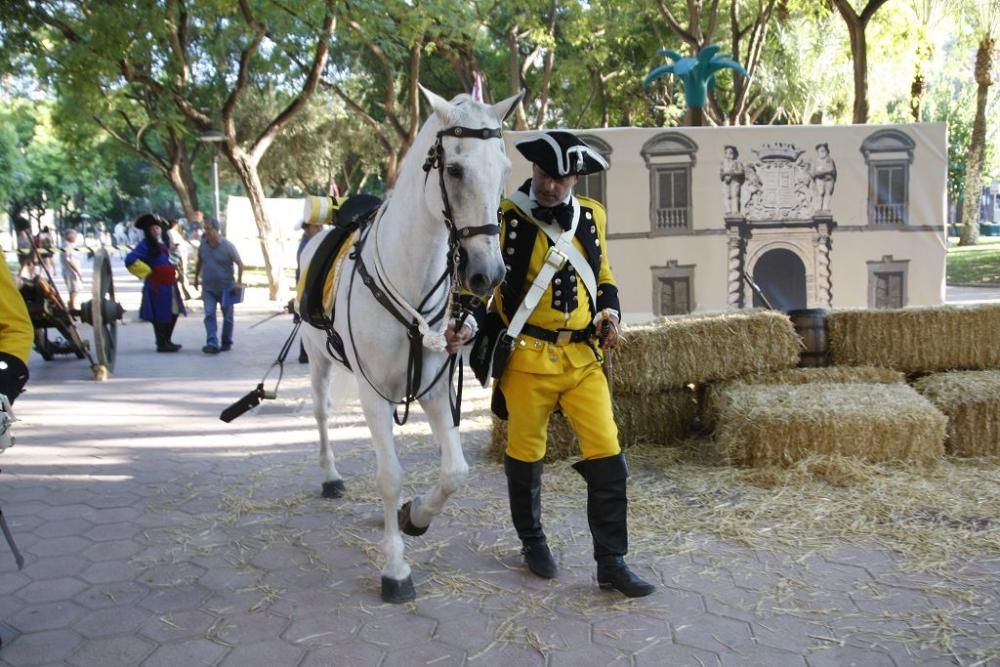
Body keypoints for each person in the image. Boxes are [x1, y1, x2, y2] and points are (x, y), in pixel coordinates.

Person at [457, 131, 655, 598]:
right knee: (526, 455)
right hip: (527, 356)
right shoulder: (505, 216)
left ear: (575, 177)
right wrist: (465, 318)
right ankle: (532, 541)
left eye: (561, 178)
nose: (551, 187)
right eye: (545, 176)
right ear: (534, 171)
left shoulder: (592, 216)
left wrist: (610, 314)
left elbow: (602, 274)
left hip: (583, 358)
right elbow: (478, 279)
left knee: (608, 454)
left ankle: (612, 562)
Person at [125, 213, 186, 352]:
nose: (156, 230)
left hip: (170, 284)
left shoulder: (163, 244)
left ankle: (167, 340)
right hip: (157, 286)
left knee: (174, 313)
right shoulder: (145, 245)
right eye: (152, 228)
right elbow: (130, 259)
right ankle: (161, 343)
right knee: (159, 315)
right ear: (148, 231)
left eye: (157, 228)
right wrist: (147, 272)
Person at [193, 219, 244, 354]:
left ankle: (226, 341)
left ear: (217, 230)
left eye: (209, 228)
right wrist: (196, 278)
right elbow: (200, 261)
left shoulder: (227, 246)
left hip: (227, 287)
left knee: (227, 316)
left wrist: (238, 282)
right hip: (208, 287)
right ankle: (212, 343)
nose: (206, 231)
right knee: (209, 314)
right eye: (205, 228)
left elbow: (240, 264)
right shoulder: (203, 245)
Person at [295, 207, 326, 364]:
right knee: (306, 321)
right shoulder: (306, 246)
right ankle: (304, 353)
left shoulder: (315, 242)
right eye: (316, 226)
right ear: (307, 228)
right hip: (306, 286)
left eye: (321, 226)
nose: (320, 229)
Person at [166, 218, 194, 300]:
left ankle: (186, 293)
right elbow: (175, 244)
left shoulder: (175, 233)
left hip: (180, 255)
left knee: (182, 275)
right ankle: (185, 293)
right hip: (177, 256)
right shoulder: (170, 232)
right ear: (174, 224)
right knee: (181, 275)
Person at [60, 228, 84, 311]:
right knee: (74, 289)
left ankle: (71, 304)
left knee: (74, 289)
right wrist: (77, 271)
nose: (76, 237)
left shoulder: (68, 245)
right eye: (75, 236)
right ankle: (71, 305)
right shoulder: (67, 246)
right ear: (70, 236)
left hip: (69, 270)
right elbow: (69, 260)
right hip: (70, 271)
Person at [811, 142, 837, 211]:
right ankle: (819, 207)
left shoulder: (830, 160)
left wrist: (827, 172)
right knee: (820, 193)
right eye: (820, 151)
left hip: (829, 179)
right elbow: (812, 173)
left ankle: (826, 208)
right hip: (819, 179)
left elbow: (833, 171)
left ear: (827, 151)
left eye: (824, 150)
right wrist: (824, 172)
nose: (822, 152)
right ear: (818, 152)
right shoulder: (815, 161)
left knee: (828, 193)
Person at [720, 145, 745, 215]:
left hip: (734, 181)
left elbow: (741, 172)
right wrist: (725, 174)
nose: (730, 154)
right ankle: (728, 211)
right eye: (728, 152)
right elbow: (721, 173)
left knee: (735, 195)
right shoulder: (723, 163)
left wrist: (732, 173)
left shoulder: (737, 162)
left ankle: (735, 211)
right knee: (726, 196)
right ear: (725, 154)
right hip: (726, 181)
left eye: (732, 152)